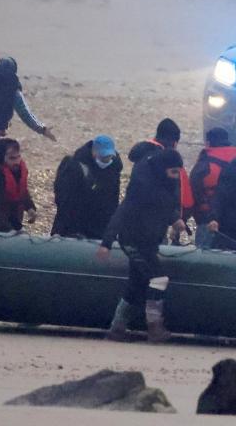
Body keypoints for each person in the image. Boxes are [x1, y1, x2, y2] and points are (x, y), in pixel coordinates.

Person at [96, 147, 185, 343]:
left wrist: (175, 219)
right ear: (163, 169)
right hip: (134, 241)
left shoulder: (165, 184)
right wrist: (106, 243)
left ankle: (116, 329)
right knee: (159, 279)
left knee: (135, 286)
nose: (176, 177)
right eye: (173, 172)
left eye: (178, 173)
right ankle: (154, 326)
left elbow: (164, 206)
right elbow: (122, 212)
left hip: (149, 242)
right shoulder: (142, 187)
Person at [128, 118, 192, 244]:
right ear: (174, 142)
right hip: (154, 221)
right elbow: (162, 191)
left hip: (134, 217)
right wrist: (175, 218)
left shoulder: (142, 154)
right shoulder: (163, 160)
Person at [51, 135, 122, 239]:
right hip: (74, 226)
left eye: (109, 157)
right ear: (94, 152)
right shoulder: (74, 166)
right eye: (103, 157)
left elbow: (113, 198)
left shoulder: (114, 168)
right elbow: (63, 199)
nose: (106, 160)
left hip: (101, 226)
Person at [189, 128, 236, 248]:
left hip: (208, 221)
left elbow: (193, 190)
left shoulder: (204, 164)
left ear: (208, 143)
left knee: (204, 260)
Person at [0, 138, 36, 233]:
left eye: (18, 157)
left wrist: (30, 207)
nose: (17, 162)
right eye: (12, 158)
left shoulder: (17, 172)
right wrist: (11, 228)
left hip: (12, 221)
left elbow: (22, 192)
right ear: (1, 159)